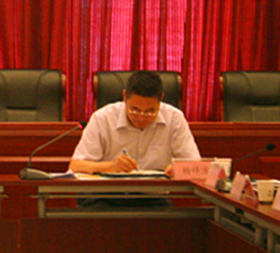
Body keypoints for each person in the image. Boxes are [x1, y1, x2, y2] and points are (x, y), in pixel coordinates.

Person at [69, 70, 200, 176]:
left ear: (161, 100)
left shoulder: (174, 118)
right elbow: (76, 166)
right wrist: (111, 166)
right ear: (125, 97)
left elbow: (195, 165)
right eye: (135, 110)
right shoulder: (103, 118)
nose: (141, 118)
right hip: (106, 194)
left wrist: (178, 169)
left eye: (150, 111)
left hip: (153, 195)